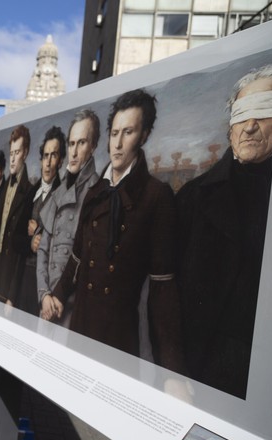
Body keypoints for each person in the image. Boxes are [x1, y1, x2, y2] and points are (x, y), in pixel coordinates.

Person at [46, 89, 184, 374]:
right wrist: (57, 294)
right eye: (114, 133)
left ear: (144, 135)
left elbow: (163, 287)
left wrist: (172, 369)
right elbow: (78, 258)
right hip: (81, 325)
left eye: (129, 132)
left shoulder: (156, 196)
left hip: (118, 338)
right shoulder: (96, 191)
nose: (118, 144)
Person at [176, 63, 272, 399]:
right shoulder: (193, 197)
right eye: (242, 113)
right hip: (197, 375)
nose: (250, 126)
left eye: (264, 111)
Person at [36, 115, 100, 325]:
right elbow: (44, 249)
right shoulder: (59, 192)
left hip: (71, 307)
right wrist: (44, 294)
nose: (73, 152)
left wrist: (58, 297)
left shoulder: (98, 191)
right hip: (47, 305)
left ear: (93, 146)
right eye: (71, 143)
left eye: (81, 143)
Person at [17, 125, 67, 316]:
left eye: (53, 155)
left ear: (60, 160)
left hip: (47, 282)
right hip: (25, 276)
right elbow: (15, 238)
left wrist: (40, 232)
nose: (48, 162)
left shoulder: (64, 195)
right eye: (45, 156)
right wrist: (30, 242)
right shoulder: (30, 193)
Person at [0, 125, 36, 306]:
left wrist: (13, 295)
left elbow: (23, 251)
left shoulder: (30, 191)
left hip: (12, 275)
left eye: (17, 152)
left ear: (26, 152)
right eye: (11, 153)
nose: (13, 159)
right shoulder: (3, 188)